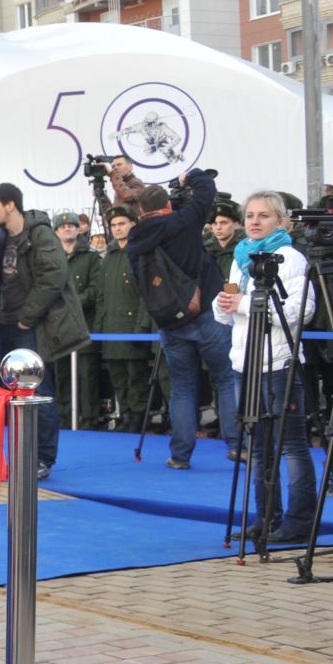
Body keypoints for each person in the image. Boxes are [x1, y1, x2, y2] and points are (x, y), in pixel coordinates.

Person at [214, 192, 317, 543]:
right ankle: (265, 516)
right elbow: (230, 318)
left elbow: (299, 311)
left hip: (278, 363)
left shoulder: (290, 258)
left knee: (291, 446)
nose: (255, 222)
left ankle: (299, 519)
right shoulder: (241, 256)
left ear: (280, 220)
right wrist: (225, 304)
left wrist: (245, 304)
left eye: (264, 215)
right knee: (257, 447)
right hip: (244, 363)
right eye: (250, 215)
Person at [126, 172, 239, 470]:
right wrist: (190, 177)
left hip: (169, 321)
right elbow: (206, 192)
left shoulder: (134, 240)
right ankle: (238, 446)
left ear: (140, 212)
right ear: (167, 205)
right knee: (226, 377)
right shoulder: (182, 222)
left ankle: (180, 455)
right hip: (205, 314)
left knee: (183, 386)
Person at [0, 185, 90, 479]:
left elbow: (53, 276)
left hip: (29, 328)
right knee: (13, 397)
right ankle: (21, 456)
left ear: (10, 205)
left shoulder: (40, 233)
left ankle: (43, 458)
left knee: (39, 394)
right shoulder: (1, 238)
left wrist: (27, 318)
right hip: (6, 327)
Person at [96, 206, 156, 431]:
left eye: (122, 223)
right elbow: (102, 294)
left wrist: (141, 326)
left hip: (132, 327)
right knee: (118, 377)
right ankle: (127, 414)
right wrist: (99, 327)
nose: (117, 228)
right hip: (111, 327)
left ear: (133, 225)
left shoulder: (140, 252)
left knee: (135, 376)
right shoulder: (109, 256)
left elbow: (145, 294)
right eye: (114, 225)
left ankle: (140, 417)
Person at [52, 213, 101, 431]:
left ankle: (90, 419)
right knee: (62, 374)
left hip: (85, 325)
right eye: (62, 226)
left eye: (71, 225)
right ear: (56, 232)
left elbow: (95, 289)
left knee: (87, 374)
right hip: (59, 327)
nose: (67, 229)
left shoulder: (91, 256)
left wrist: (70, 304)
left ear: (79, 229)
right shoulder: (51, 257)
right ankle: (64, 416)